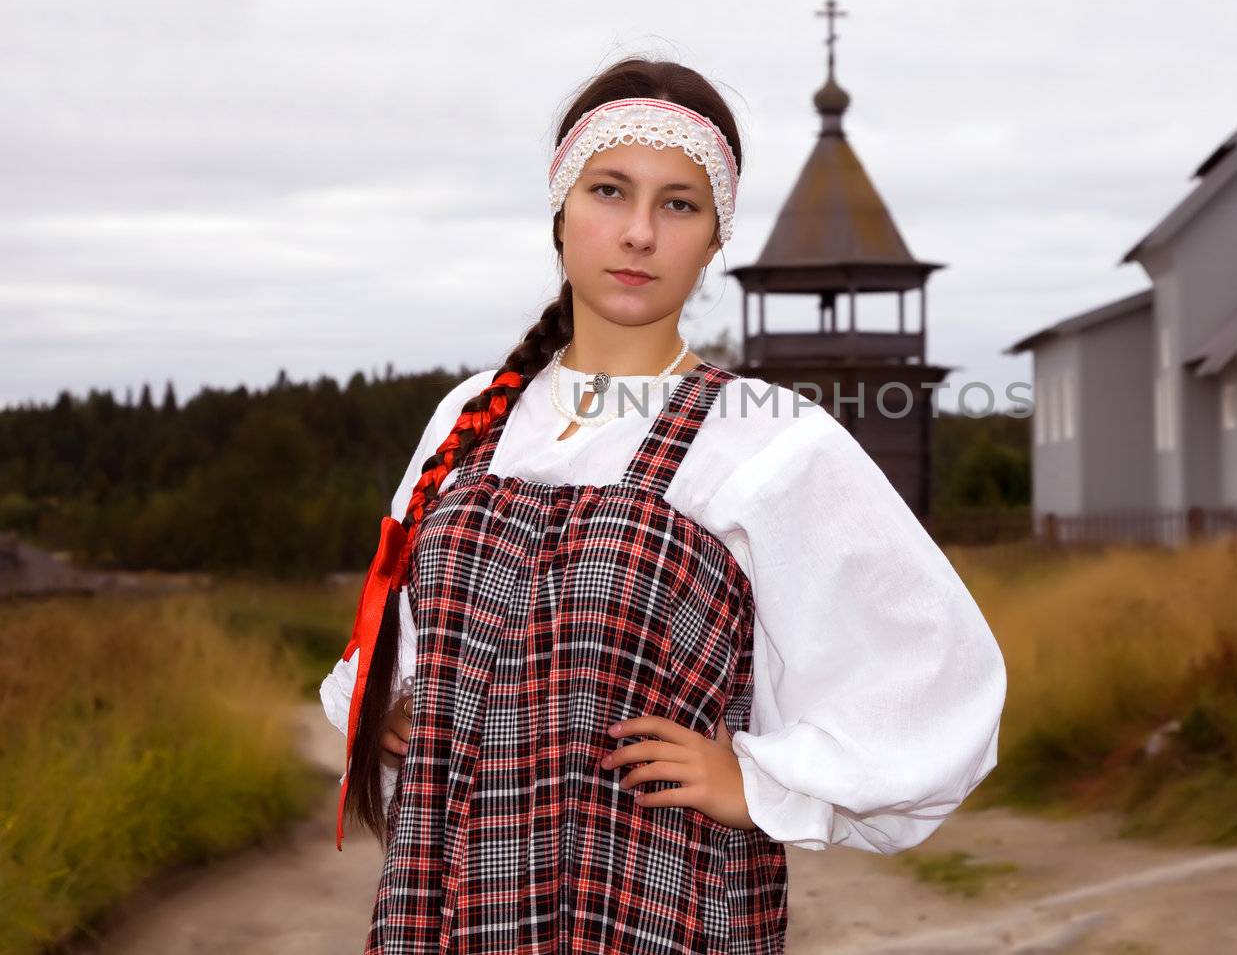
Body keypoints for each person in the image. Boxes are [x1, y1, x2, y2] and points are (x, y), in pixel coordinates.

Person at [318, 56, 1007, 954]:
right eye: (610, 191)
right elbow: (397, 638)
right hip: (445, 905)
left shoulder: (766, 437)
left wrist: (758, 782)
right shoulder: (476, 412)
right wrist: (397, 699)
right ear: (561, 211)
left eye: (678, 204)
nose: (638, 232)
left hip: (653, 904)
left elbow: (938, 672)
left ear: (716, 239)